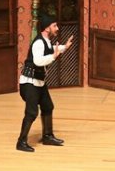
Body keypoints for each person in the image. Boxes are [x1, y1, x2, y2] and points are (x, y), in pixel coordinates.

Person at [16, 14, 75, 152]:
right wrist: (53, 57)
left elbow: (52, 49)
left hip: (39, 82)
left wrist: (64, 47)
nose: (57, 28)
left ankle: (47, 136)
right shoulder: (38, 43)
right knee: (31, 112)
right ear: (47, 28)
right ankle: (21, 142)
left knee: (48, 106)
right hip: (29, 83)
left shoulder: (46, 41)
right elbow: (38, 61)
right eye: (54, 25)